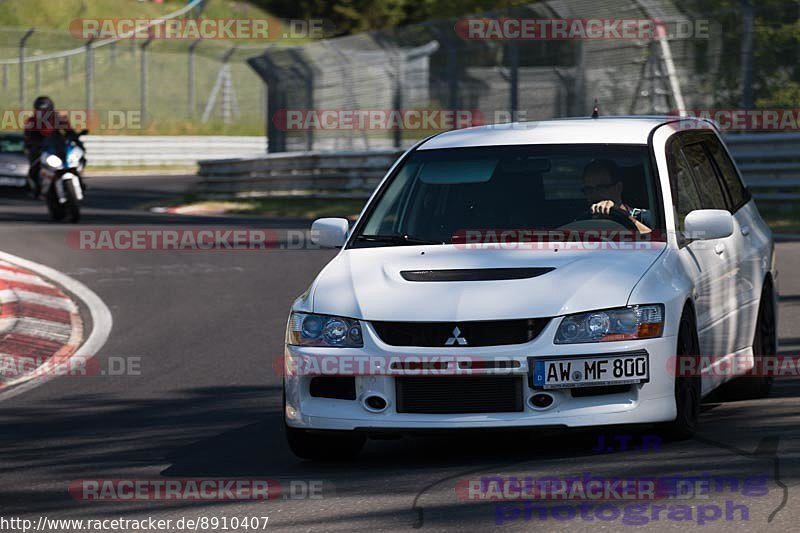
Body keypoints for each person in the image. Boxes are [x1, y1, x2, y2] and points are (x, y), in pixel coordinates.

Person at [23, 96, 76, 198]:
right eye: (40, 110)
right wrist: (31, 143)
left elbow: (69, 131)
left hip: (57, 147)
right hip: (41, 148)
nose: (43, 113)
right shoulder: (31, 121)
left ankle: (79, 180)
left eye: (45, 110)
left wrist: (73, 137)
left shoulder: (58, 118)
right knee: (34, 167)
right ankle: (37, 188)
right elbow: (27, 136)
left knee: (75, 157)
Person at [582, 158, 652, 234]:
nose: (594, 194)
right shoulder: (582, 221)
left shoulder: (645, 218)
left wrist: (625, 217)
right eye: (589, 189)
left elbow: (656, 242)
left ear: (618, 188)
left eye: (601, 188)